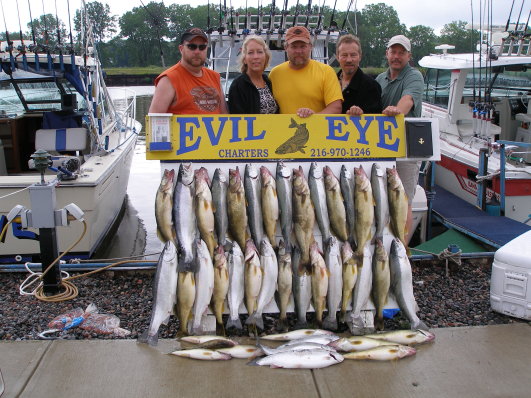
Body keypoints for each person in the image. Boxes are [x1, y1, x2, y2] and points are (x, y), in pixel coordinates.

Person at [376, 34, 424, 244]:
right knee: (383, 199)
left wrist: (397, 110)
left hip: (406, 145)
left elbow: (408, 100)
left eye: (401, 52)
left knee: (404, 199)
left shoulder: (414, 76)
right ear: (387, 54)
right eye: (393, 52)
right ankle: (385, 246)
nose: (396, 56)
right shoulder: (379, 79)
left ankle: (402, 251)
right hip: (382, 147)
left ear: (408, 55)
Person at [149, 27, 227, 114]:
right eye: (192, 46)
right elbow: (154, 122)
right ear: (181, 49)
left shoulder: (215, 77)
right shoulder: (168, 79)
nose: (197, 51)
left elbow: (225, 116)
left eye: (202, 47)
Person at [269, 26, 343, 117]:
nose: (299, 51)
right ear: (286, 47)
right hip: (283, 130)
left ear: (310, 47)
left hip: (317, 130)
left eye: (303, 46)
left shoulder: (326, 71)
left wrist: (313, 118)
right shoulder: (274, 74)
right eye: (294, 47)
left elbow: (335, 108)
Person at [228, 35, 278, 114]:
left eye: (260, 52)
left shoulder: (268, 81)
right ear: (244, 59)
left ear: (266, 57)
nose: (256, 57)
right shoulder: (238, 85)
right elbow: (238, 121)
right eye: (250, 53)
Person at [336, 34, 382, 115]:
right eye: (344, 55)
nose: (349, 60)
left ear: (360, 57)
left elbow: (376, 121)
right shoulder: (329, 82)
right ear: (337, 57)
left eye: (353, 55)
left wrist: (362, 114)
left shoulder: (371, 86)